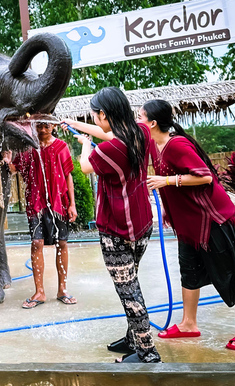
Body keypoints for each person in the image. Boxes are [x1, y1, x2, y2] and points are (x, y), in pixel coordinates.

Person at [139, 99, 235, 350]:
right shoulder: (154, 144)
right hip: (187, 224)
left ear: (152, 123)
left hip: (211, 219)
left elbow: (204, 176)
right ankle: (188, 324)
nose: (136, 120)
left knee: (231, 272)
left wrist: (168, 181)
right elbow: (112, 135)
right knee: (189, 271)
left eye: (139, 117)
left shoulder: (176, 145)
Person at [64, 87, 161, 363]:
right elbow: (109, 134)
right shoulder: (140, 132)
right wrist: (75, 124)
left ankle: (147, 354)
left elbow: (85, 165)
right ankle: (133, 339)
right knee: (132, 284)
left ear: (104, 114)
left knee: (129, 293)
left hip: (116, 230)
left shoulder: (108, 151)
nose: (94, 119)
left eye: (95, 115)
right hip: (141, 225)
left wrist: (83, 144)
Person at [10, 122, 78, 309]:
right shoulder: (29, 148)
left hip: (59, 202)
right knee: (36, 243)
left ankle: (62, 289)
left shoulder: (61, 147)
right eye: (39, 126)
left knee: (62, 243)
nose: (42, 130)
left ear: (53, 126)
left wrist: (72, 204)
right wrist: (7, 157)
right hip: (36, 202)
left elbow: (68, 175)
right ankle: (39, 292)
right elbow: (14, 168)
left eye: (46, 126)